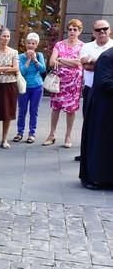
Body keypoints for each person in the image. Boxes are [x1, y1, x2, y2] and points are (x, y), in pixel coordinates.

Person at [74, 20, 113, 161]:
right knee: (88, 121)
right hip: (90, 89)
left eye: (105, 29)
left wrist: (94, 62)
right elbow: (85, 66)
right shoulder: (87, 46)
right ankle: (86, 152)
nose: (102, 32)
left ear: (110, 30)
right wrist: (101, 63)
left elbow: (92, 65)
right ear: (93, 32)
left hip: (108, 93)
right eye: (98, 30)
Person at [43, 19, 84, 148]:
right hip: (59, 81)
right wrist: (69, 62)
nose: (72, 32)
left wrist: (61, 59)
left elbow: (79, 63)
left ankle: (68, 136)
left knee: (71, 109)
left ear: (80, 31)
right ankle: (52, 134)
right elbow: (51, 62)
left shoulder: (83, 46)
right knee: (56, 108)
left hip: (74, 82)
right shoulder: (59, 44)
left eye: (75, 29)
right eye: (70, 29)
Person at [79, 44, 113, 189]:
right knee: (100, 143)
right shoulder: (107, 57)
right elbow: (104, 82)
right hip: (102, 108)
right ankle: (97, 178)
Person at [13, 32, 46, 144]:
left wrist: (35, 60)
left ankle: (32, 133)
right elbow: (21, 71)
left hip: (37, 87)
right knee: (22, 111)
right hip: (24, 87)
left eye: (33, 43)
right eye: (29, 43)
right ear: (25, 44)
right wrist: (28, 60)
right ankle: (20, 132)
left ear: (36, 45)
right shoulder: (20, 57)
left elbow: (43, 70)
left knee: (34, 111)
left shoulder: (40, 55)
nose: (31, 45)